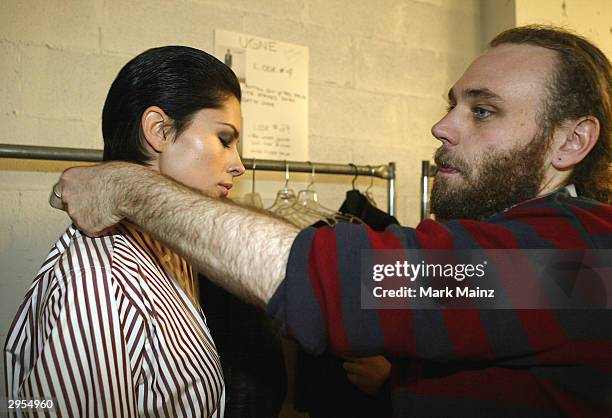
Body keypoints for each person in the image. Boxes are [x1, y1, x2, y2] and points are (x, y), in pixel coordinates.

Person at [50, 25, 612, 417]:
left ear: (571, 140)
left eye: (482, 110)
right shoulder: (515, 257)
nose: (441, 127)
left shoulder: (578, 264)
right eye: (453, 104)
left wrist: (125, 184)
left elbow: (330, 282)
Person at [5, 46, 249, 417]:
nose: (238, 165)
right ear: (160, 130)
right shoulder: (98, 280)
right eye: (224, 139)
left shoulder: (169, 251)